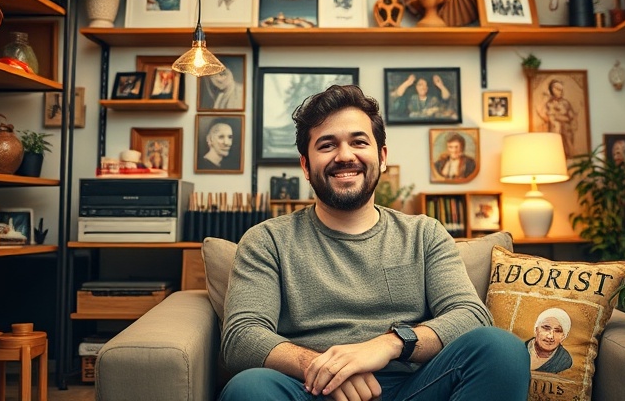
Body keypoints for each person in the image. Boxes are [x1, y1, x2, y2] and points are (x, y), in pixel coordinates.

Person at [219, 84, 530, 401]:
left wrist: (391, 344)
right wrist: (327, 368)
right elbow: (241, 337)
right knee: (249, 388)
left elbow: (470, 315)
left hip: (414, 388)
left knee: (501, 349)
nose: (345, 155)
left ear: (381, 157)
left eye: (358, 142)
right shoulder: (266, 241)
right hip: (309, 389)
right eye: (327, 145)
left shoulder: (425, 234)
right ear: (305, 166)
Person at [537, 78, 577, 157]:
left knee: (567, 151)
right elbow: (541, 113)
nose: (561, 92)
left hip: (566, 131)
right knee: (555, 151)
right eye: (558, 89)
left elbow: (571, 117)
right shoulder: (548, 103)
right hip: (554, 131)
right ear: (552, 91)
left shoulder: (565, 103)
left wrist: (557, 117)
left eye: (561, 90)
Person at [525, 307, 573, 374]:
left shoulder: (564, 360)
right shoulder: (519, 349)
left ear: (563, 336)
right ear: (536, 330)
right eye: (546, 328)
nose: (550, 336)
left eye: (558, 331)